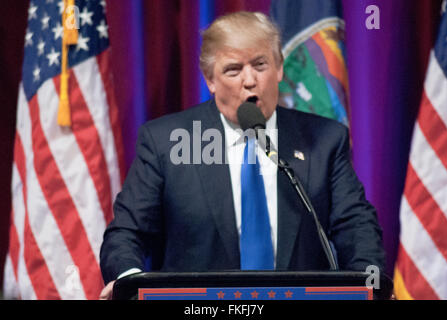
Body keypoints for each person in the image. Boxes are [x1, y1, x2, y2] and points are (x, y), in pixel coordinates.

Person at [99, 11, 386, 299]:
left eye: (260, 65)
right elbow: (126, 233)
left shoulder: (323, 140)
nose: (249, 80)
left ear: (280, 69)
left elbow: (356, 226)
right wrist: (129, 282)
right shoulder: (167, 142)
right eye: (233, 70)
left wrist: (367, 285)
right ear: (210, 80)